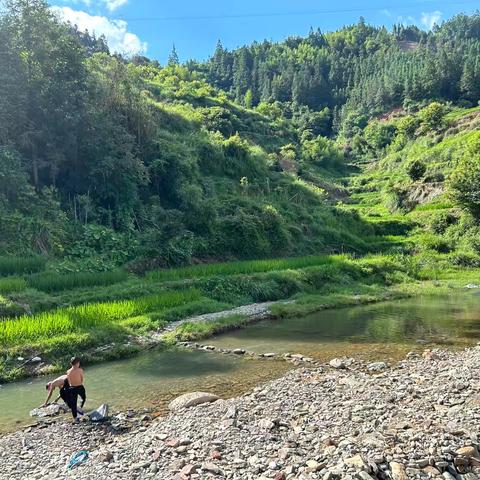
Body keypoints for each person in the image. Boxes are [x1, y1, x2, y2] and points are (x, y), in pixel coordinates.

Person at [66, 356, 87, 423]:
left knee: (73, 404)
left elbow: (69, 381)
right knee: (83, 398)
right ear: (77, 363)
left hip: (72, 388)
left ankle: (75, 418)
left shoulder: (68, 371)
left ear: (71, 363)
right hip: (79, 387)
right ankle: (80, 407)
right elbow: (82, 379)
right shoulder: (80, 370)